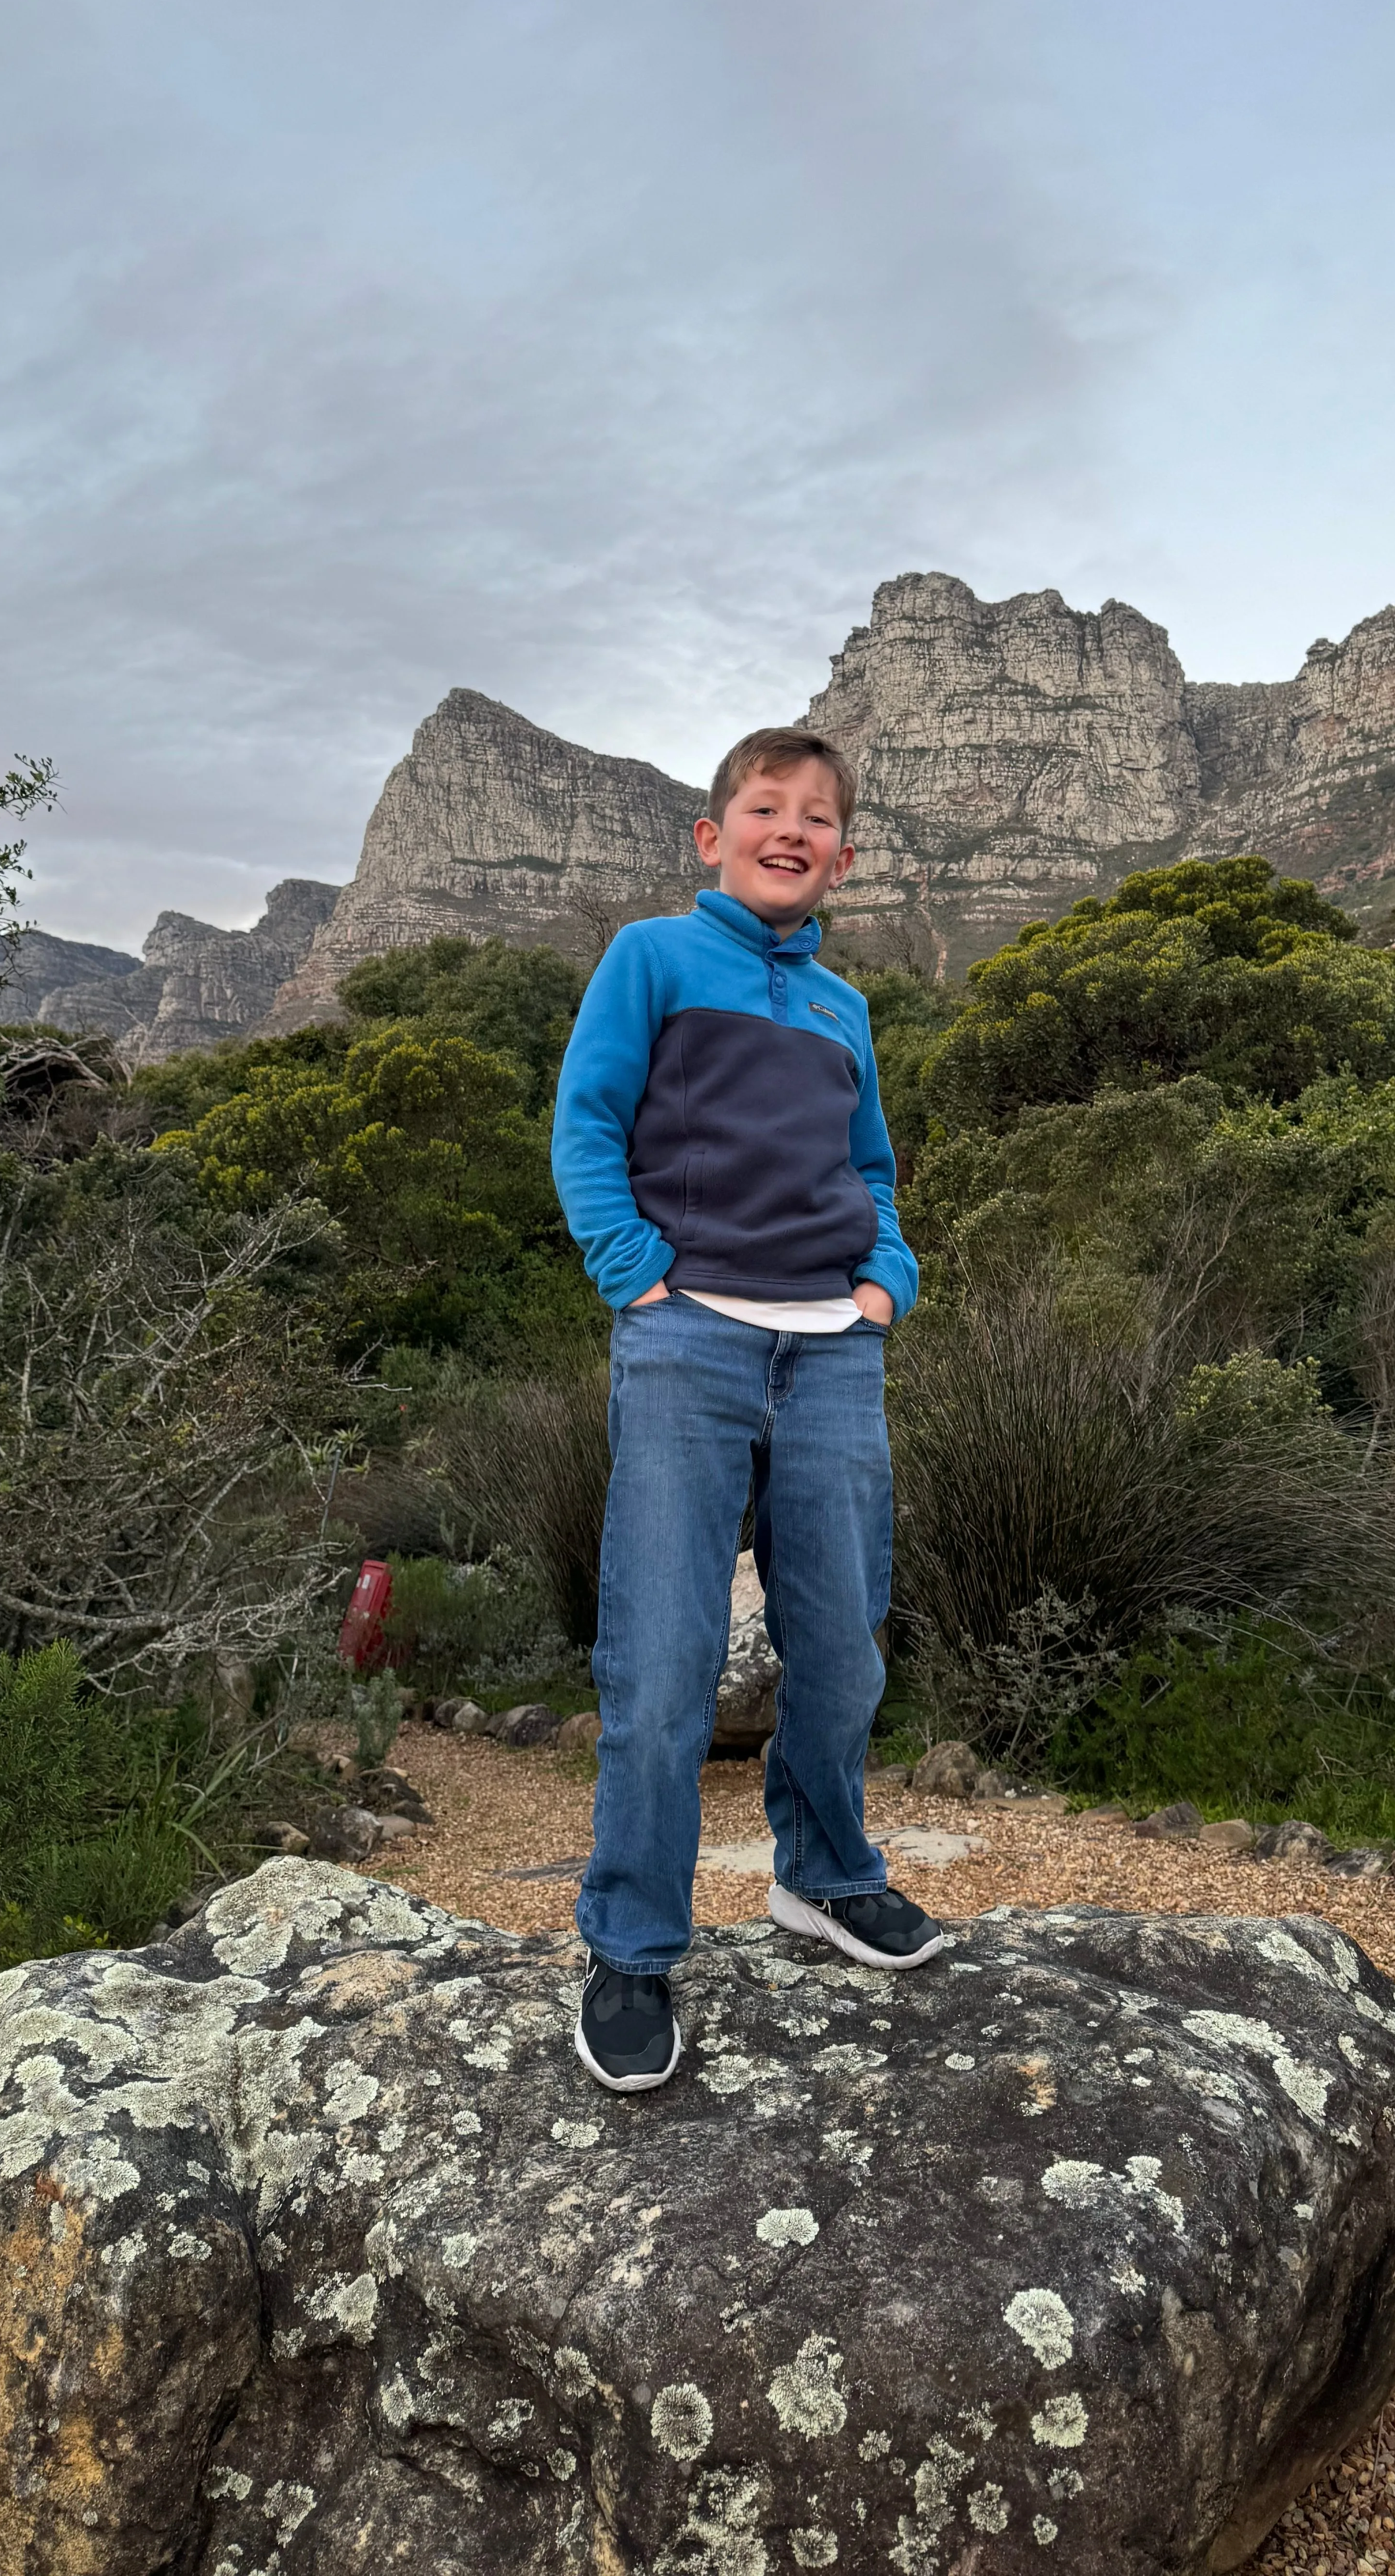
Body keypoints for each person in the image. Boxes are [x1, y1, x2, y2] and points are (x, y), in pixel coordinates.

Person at [550, 725, 942, 2093]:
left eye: (818, 815)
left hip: (834, 1351)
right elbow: (585, 1126)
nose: (793, 828)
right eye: (764, 807)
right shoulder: (651, 957)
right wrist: (638, 1279)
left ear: (843, 854)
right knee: (659, 1668)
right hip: (689, 1342)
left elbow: (872, 1167)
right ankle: (633, 1948)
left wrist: (882, 1281)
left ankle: (825, 1876)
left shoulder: (844, 1010)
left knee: (841, 1652)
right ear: (711, 838)